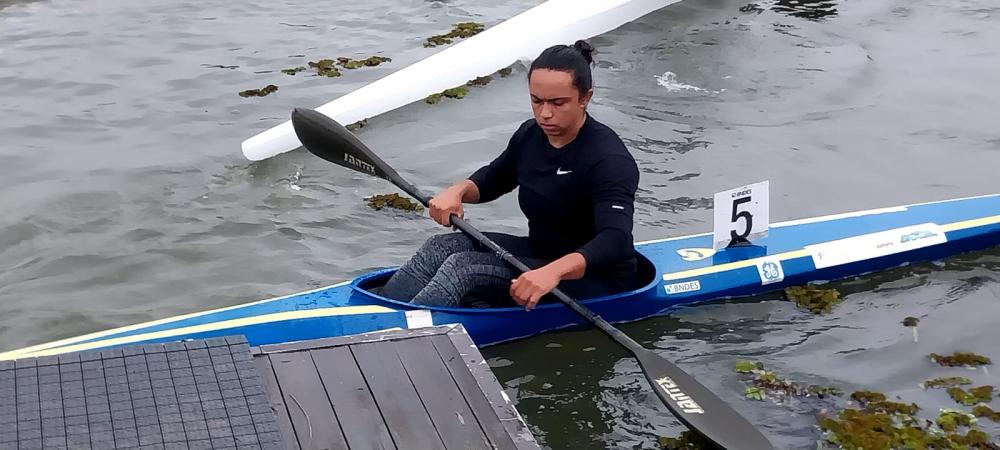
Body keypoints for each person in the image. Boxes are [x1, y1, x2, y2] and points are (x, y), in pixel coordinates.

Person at [380, 40, 640, 310]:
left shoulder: (609, 160)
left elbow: (616, 241)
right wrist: (456, 192)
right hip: (540, 256)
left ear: (585, 98)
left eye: (558, 103)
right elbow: (493, 180)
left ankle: (405, 333)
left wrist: (553, 273)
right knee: (440, 247)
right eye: (536, 101)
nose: (545, 114)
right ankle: (379, 313)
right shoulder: (530, 135)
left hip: (598, 281)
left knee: (462, 269)